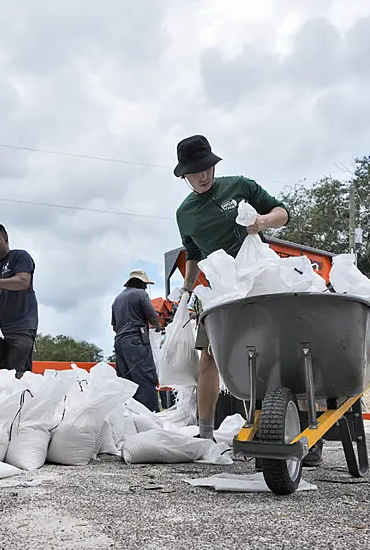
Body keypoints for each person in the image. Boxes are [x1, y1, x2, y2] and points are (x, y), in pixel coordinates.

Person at [173, 134, 324, 467]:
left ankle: (304, 434)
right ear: (184, 174)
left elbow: (282, 212)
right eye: (197, 171)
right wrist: (186, 290)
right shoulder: (185, 214)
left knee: (284, 354)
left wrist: (262, 222)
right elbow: (194, 255)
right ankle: (206, 432)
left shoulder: (239, 185)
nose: (205, 176)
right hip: (219, 289)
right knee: (210, 357)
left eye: (208, 167)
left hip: (259, 278)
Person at [0, 223, 39, 378]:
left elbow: (23, 282)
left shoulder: (20, 257)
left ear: (5, 239)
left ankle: (18, 401)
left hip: (20, 326)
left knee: (16, 374)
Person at [111, 270, 163, 412]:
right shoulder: (140, 294)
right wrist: (159, 328)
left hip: (120, 343)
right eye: (145, 284)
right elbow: (152, 316)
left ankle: (130, 416)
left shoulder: (117, 299)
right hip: (136, 340)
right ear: (140, 283)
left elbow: (115, 327)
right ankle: (151, 417)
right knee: (145, 378)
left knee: (126, 381)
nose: (146, 287)